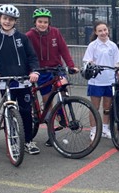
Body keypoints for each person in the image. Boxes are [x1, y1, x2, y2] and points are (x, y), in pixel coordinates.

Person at [0, 4, 41, 155]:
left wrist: (35, 72)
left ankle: (28, 141)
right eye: (5, 18)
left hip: (23, 80)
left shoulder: (22, 38)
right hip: (5, 81)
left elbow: (32, 57)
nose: (7, 22)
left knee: (25, 111)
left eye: (11, 19)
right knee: (7, 111)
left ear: (15, 21)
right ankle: (11, 140)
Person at [26, 8, 79, 146]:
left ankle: (61, 113)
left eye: (45, 22)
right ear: (35, 22)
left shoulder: (55, 32)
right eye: (40, 22)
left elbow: (63, 49)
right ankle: (51, 133)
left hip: (56, 68)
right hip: (41, 71)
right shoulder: (29, 35)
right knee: (47, 101)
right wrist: (31, 70)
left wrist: (71, 65)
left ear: (49, 23)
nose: (43, 24)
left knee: (63, 84)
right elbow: (27, 55)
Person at [82, 21, 119, 140]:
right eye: (100, 31)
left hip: (110, 81)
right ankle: (93, 130)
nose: (103, 33)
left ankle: (105, 128)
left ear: (108, 30)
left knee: (107, 107)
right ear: (95, 32)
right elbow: (88, 61)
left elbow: (117, 64)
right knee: (94, 107)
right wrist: (92, 64)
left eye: (105, 30)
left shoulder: (113, 46)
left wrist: (118, 78)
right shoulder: (92, 46)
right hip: (96, 81)